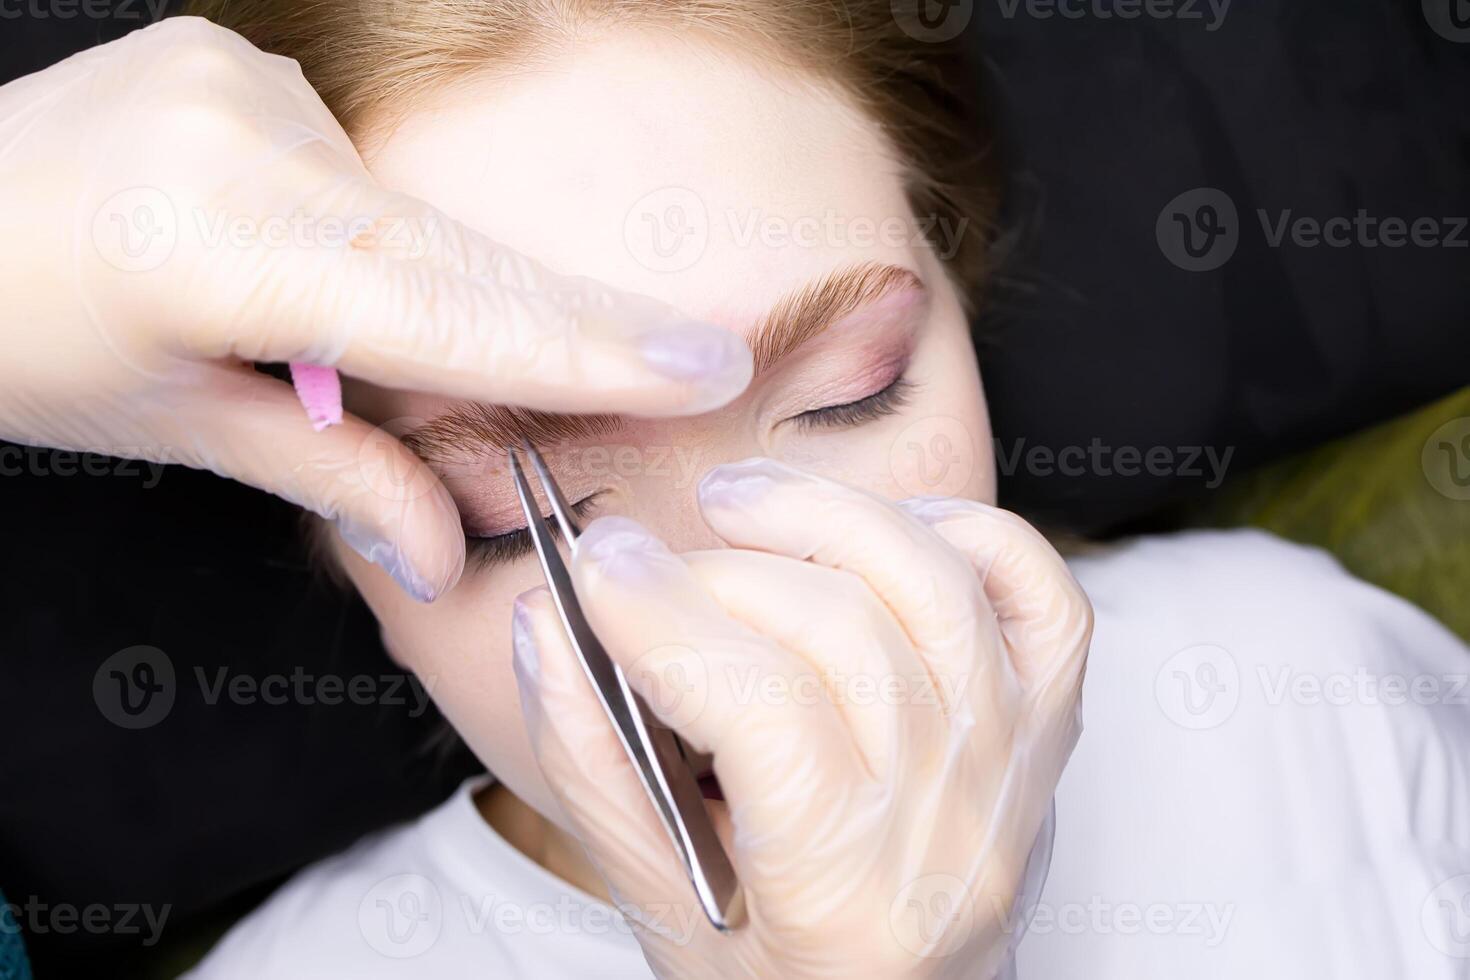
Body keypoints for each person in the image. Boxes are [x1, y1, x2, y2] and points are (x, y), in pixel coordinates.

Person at [155, 3, 1468, 979]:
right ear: (332, 539)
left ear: (953, 289)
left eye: (853, 390)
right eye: (510, 507)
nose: (744, 620)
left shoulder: (1303, 684)